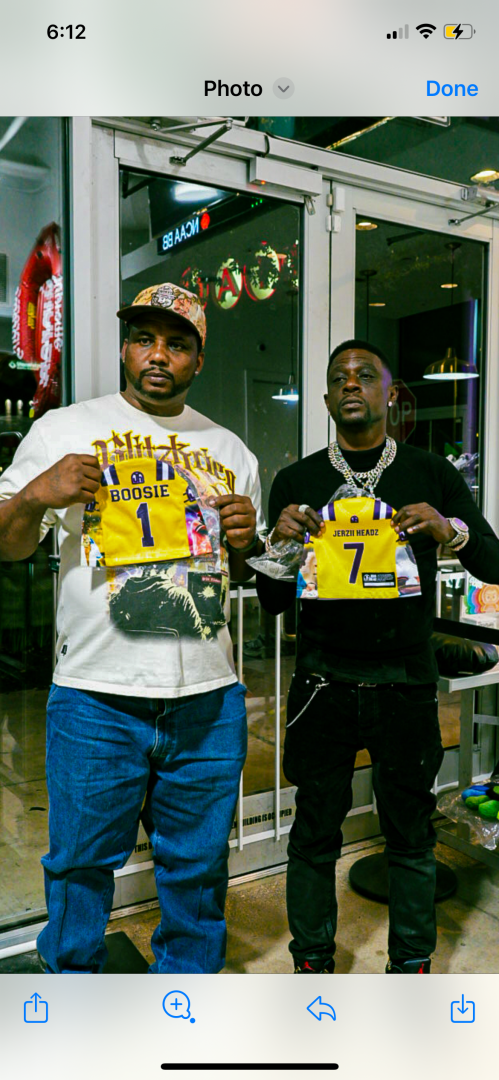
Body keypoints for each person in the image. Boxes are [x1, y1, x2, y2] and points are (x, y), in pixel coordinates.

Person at [0, 282, 264, 974]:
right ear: (125, 349)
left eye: (176, 344)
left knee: (198, 869)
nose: (158, 355)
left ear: (198, 359)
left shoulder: (232, 450)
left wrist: (246, 541)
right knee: (79, 867)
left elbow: (237, 572)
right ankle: (71, 996)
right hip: (95, 695)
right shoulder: (62, 430)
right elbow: (8, 544)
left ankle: (182, 1002)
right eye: (144, 339)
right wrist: (36, 494)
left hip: (208, 696)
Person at [256, 338, 499, 974]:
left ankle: (411, 966)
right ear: (327, 398)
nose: (351, 384)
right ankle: (312, 960)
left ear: (391, 395)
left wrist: (451, 530)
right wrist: (279, 546)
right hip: (321, 683)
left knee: (411, 833)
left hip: (405, 682)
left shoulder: (430, 473)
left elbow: (495, 561)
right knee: (314, 832)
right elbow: (273, 601)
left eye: (365, 375)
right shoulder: (298, 480)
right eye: (340, 377)